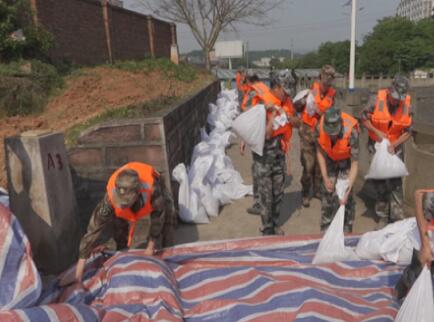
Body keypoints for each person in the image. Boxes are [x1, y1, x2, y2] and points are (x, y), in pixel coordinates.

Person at [61, 162, 176, 286]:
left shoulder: (153, 189)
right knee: (118, 221)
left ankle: (168, 265)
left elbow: (158, 217)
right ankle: (122, 254)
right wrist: (78, 274)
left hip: (157, 190)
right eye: (119, 201)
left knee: (167, 223)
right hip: (131, 202)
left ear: (137, 195)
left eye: (126, 202)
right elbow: (92, 231)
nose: (121, 204)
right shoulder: (109, 199)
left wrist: (150, 247)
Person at [361, 75, 413, 229]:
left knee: (396, 182)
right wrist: (376, 132)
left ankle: (396, 216)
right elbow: (363, 118)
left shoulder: (407, 105)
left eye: (399, 99)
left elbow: (409, 131)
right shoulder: (376, 99)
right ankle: (383, 215)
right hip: (376, 146)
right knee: (380, 181)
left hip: (395, 147)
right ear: (390, 90)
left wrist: (395, 144)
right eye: (394, 97)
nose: (396, 101)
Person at [316, 107, 359, 233]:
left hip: (346, 161)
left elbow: (355, 163)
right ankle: (325, 228)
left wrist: (348, 186)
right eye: (330, 133)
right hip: (329, 157)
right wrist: (324, 177)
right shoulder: (319, 128)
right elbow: (319, 152)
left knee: (345, 197)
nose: (332, 136)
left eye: (335, 133)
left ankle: (347, 229)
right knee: (327, 191)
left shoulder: (352, 132)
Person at [299, 65, 337, 208]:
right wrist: (306, 102)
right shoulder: (311, 88)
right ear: (321, 76)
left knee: (321, 166)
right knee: (308, 165)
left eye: (331, 77)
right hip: (307, 131)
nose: (328, 80)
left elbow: (332, 112)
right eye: (326, 76)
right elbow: (297, 105)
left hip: (322, 132)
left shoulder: (332, 93)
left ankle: (316, 191)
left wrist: (321, 112)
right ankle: (305, 193)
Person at [395, 189, 434, 299]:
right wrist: (425, 245)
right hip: (427, 235)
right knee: (418, 273)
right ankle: (406, 279)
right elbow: (419, 198)